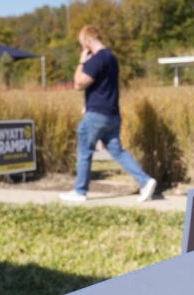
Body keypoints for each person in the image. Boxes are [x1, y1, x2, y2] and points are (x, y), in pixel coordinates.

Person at [59, 25, 157, 203]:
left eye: (83, 45)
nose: (83, 49)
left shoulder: (97, 59)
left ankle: (80, 191)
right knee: (118, 151)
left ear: (88, 41)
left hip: (97, 114)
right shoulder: (112, 58)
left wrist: (82, 61)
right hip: (112, 114)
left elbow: (78, 84)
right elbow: (102, 87)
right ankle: (145, 181)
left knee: (84, 150)